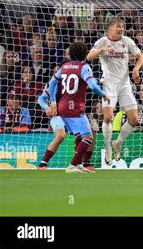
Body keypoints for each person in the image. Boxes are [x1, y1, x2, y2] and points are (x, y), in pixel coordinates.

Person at [86, 18, 143, 165]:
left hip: (125, 85)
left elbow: (141, 57)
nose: (122, 29)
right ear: (110, 29)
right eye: (118, 27)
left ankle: (117, 142)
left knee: (134, 120)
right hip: (108, 84)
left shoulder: (127, 41)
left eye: (123, 27)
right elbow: (88, 57)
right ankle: (107, 148)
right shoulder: (102, 41)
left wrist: (136, 69)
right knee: (107, 117)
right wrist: (102, 50)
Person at [47, 42, 110, 173]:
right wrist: (103, 95)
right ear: (85, 54)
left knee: (83, 136)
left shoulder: (64, 66)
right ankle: (72, 165)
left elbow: (52, 83)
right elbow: (92, 86)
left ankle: (79, 165)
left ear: (71, 54)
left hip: (63, 106)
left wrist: (53, 101)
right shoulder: (84, 67)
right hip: (75, 108)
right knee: (88, 138)